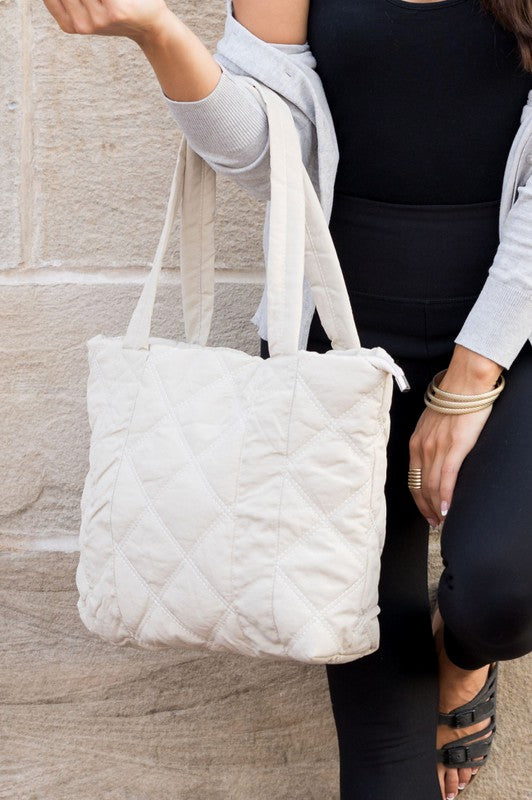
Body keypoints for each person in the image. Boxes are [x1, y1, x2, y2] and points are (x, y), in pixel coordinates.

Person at [41, 1, 532, 798]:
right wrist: (158, 33)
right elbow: (265, 156)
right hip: (338, 349)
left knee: (504, 595)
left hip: (516, 335)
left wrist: (468, 381)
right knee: (380, 734)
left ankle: (463, 653)